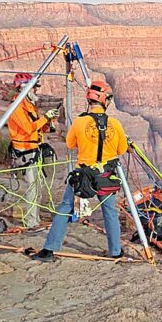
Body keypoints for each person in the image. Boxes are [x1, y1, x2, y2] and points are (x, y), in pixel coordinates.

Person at [33, 80, 127, 262]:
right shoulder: (115, 124)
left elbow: (70, 144)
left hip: (83, 175)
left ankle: (49, 250)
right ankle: (115, 251)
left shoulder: (79, 122)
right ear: (105, 100)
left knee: (65, 207)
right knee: (110, 212)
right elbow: (121, 149)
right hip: (106, 175)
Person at [6, 72, 59, 230]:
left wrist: (49, 121)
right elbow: (28, 128)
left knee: (37, 187)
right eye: (34, 87)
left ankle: (34, 219)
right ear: (24, 87)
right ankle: (31, 222)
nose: (36, 90)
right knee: (32, 188)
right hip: (25, 151)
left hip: (34, 150)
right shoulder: (16, 107)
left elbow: (38, 126)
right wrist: (44, 118)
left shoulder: (29, 106)